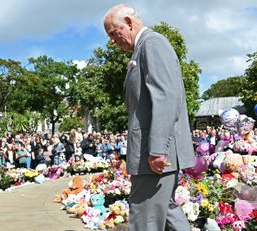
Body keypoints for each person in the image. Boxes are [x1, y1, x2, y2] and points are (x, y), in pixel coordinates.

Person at [104, 4, 195, 230]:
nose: (113, 41)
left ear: (129, 22)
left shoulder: (152, 44)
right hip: (151, 154)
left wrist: (157, 150)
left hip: (152, 155)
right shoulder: (143, 48)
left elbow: (165, 97)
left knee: (144, 220)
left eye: (114, 33)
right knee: (167, 214)